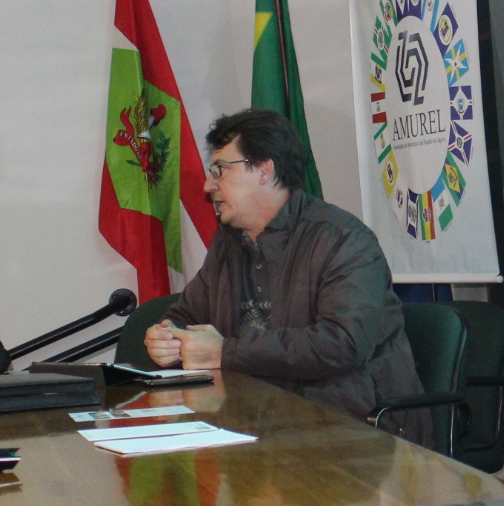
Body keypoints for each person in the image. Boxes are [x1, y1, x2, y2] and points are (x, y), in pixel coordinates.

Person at [144, 108, 428, 439]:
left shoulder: (342, 239)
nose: (209, 185)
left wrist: (225, 352)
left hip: (353, 430)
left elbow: (342, 344)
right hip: (255, 423)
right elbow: (186, 314)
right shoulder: (228, 243)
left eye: (220, 169)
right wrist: (167, 337)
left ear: (264, 170)